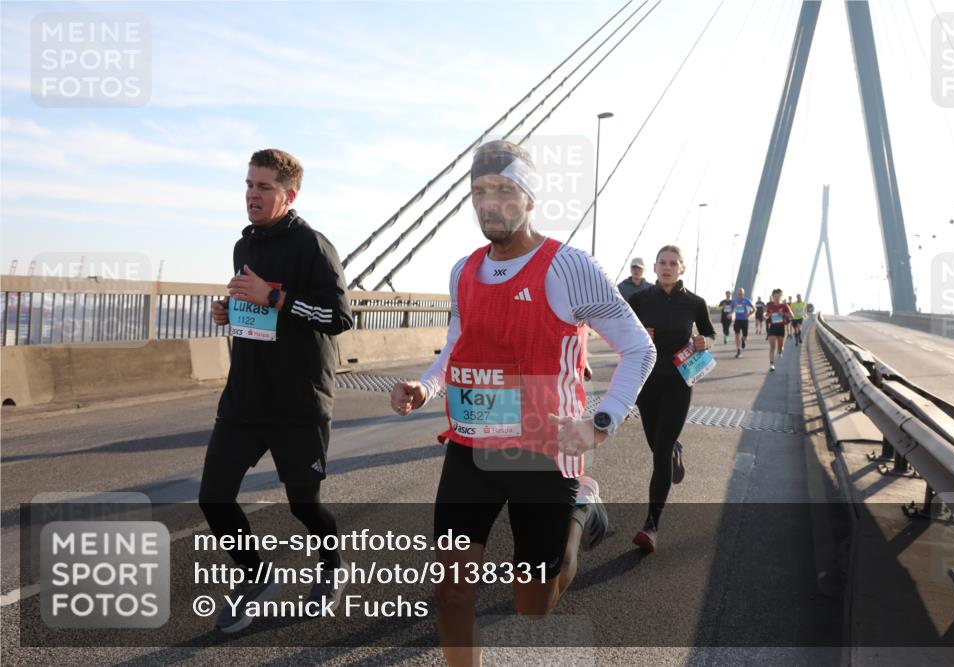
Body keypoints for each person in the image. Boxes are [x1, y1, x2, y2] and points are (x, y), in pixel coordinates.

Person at [389, 140, 655, 666]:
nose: (490, 203)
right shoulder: (463, 270)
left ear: (530, 199)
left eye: (505, 190)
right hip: (470, 449)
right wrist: (427, 386)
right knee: (452, 591)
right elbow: (459, 343)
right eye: (480, 191)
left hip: (543, 454)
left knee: (532, 606)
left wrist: (599, 423)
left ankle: (579, 516)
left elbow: (638, 348)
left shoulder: (569, 266)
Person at [199, 149, 354, 633]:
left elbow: (338, 318)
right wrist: (232, 311)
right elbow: (258, 314)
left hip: (298, 402)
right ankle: (256, 577)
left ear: (289, 195)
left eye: (264, 187)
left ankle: (332, 567)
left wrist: (277, 297)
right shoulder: (243, 247)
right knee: (213, 497)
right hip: (245, 396)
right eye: (249, 184)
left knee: (303, 504)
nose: (252, 194)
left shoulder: (313, 245)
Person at [627, 245, 715, 553]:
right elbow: (622, 333)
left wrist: (705, 342)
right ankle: (674, 448)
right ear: (654, 267)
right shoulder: (639, 300)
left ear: (682, 268)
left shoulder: (695, 303)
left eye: (673, 263)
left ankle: (651, 525)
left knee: (660, 452)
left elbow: (710, 334)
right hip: (647, 384)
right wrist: (639, 337)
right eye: (662, 262)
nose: (667, 267)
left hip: (679, 384)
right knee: (657, 448)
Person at [764, 288, 794, 372]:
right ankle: (772, 364)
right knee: (772, 346)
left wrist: (783, 313)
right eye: (775, 296)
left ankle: (780, 351)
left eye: (778, 296)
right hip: (773, 327)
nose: (777, 298)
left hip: (781, 328)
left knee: (780, 346)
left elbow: (792, 316)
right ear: (772, 297)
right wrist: (765, 317)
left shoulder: (785, 306)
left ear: (781, 296)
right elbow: (767, 315)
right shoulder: (771, 306)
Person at [731, 287, 754, 357]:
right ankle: (738, 350)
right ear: (737, 294)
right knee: (737, 334)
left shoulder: (747, 300)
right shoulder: (734, 301)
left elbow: (754, 309)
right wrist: (731, 314)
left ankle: (743, 340)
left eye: (741, 293)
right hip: (737, 320)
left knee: (745, 335)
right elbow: (732, 310)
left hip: (745, 320)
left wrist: (749, 314)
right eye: (739, 293)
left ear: (743, 294)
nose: (740, 294)